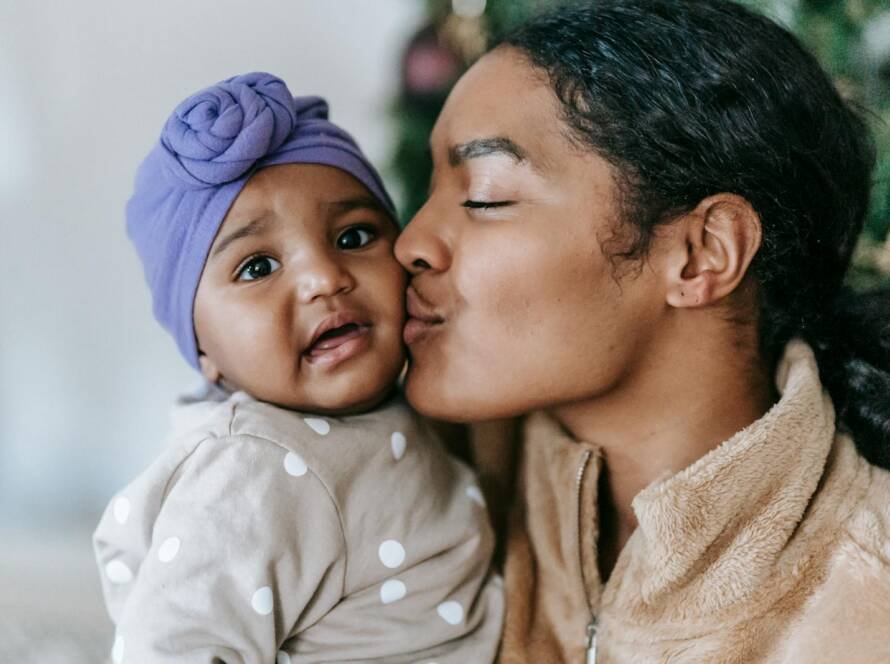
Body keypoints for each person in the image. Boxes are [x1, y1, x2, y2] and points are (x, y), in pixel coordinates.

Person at [394, 1, 890, 662]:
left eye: (484, 194)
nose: (411, 243)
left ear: (702, 253)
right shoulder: (410, 479)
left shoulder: (865, 602)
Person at [93, 72, 502, 664]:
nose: (324, 278)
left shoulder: (412, 396)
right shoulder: (251, 468)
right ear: (202, 349)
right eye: (257, 268)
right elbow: (173, 647)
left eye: (355, 235)